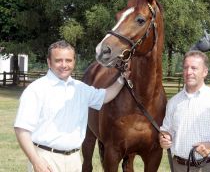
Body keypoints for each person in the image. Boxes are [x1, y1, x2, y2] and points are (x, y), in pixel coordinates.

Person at [14, 40, 130, 172]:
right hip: (46, 159)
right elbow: (21, 130)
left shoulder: (80, 89)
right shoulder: (36, 89)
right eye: (58, 60)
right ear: (49, 62)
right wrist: (36, 161)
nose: (64, 65)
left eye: (68, 60)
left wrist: (121, 79)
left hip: (74, 160)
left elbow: (106, 96)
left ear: (74, 62)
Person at [159, 50, 210, 172]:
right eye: (185, 68)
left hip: (207, 167)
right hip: (178, 166)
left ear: (205, 72)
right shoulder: (173, 102)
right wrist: (164, 138)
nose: (188, 72)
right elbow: (166, 130)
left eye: (194, 68)